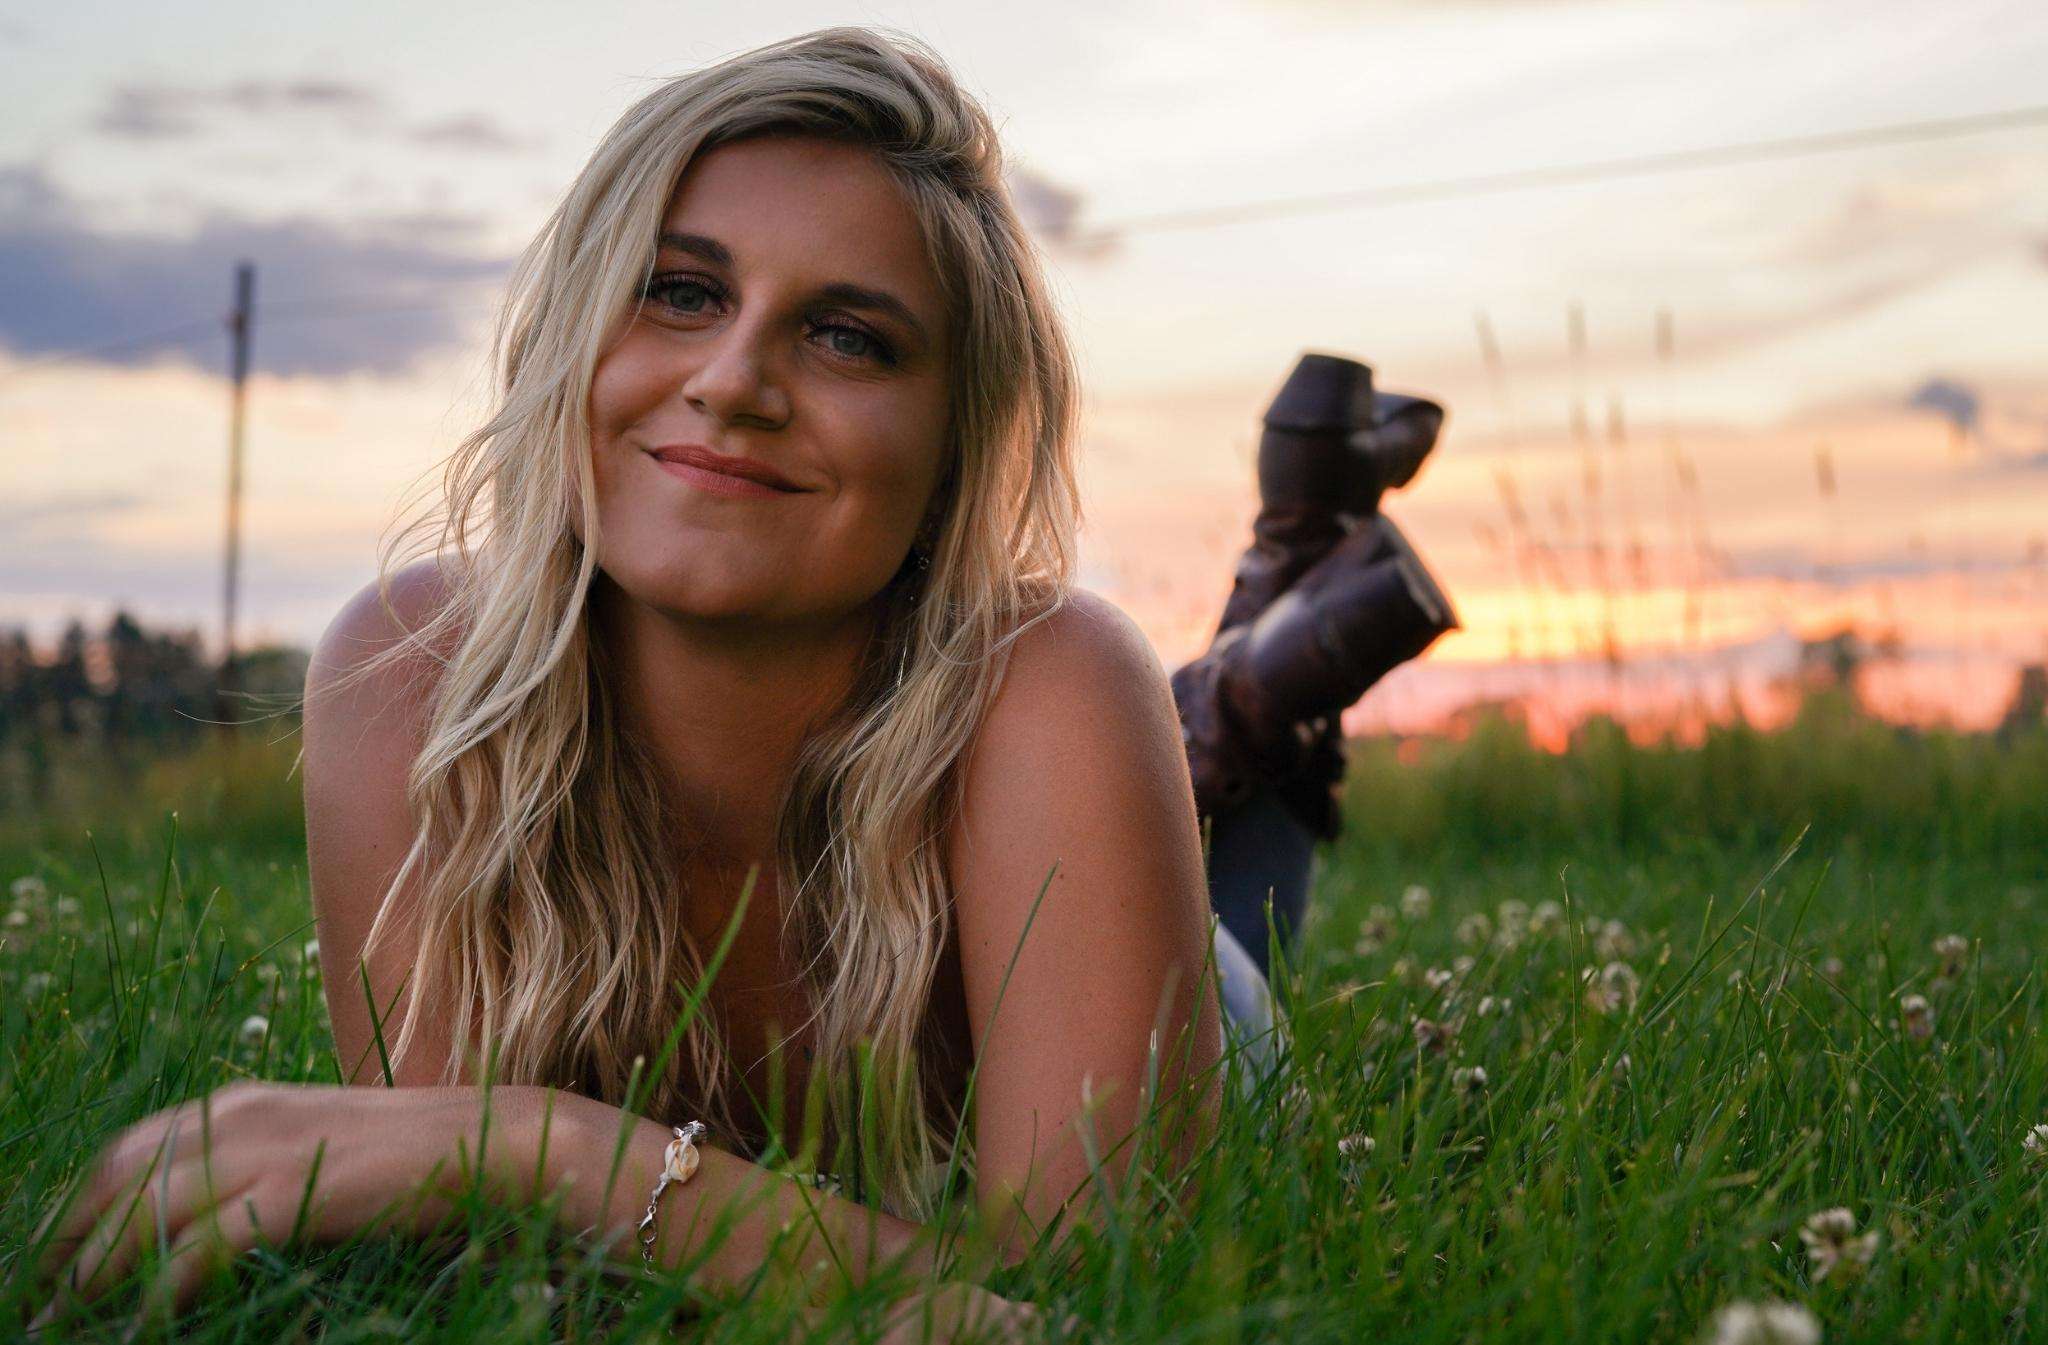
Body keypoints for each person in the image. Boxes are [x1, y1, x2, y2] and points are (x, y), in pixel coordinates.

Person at [26, 25, 1450, 1339]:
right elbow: (451, 1239)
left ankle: (1256, 699)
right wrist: (511, 1164)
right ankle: (1265, 647)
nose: (734, 377)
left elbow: (1064, 1317)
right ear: (572, 340)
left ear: (953, 443)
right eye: (682, 291)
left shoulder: (1057, 678)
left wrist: (557, 1145)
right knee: (1163, 754)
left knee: (1220, 877)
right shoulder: (412, 675)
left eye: (847, 335)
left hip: (1174, 956)